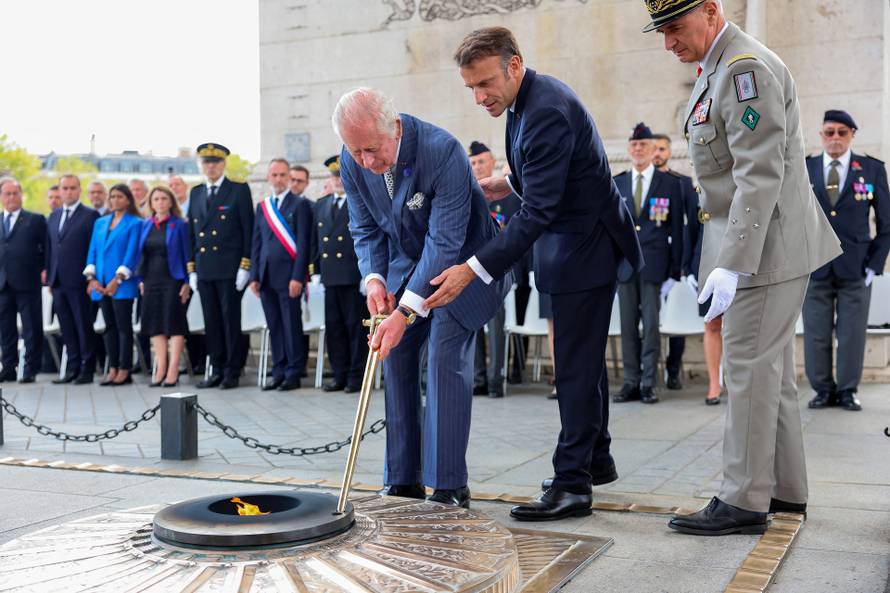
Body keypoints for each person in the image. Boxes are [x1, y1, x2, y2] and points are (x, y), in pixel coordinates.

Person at [428, 27, 643, 521]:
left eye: (485, 84)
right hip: (576, 244)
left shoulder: (543, 108)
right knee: (583, 363)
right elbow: (538, 174)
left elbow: (538, 212)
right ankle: (594, 459)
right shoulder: (525, 101)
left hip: (584, 247)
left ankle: (572, 485)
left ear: (515, 65)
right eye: (472, 89)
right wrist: (496, 184)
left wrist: (471, 270)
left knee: (572, 368)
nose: (481, 97)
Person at [643, 0, 841, 535]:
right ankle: (785, 491)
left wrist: (731, 265)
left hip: (763, 250)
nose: (669, 44)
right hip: (761, 244)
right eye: (661, 32)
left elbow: (759, 173)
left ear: (710, 11)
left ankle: (743, 499)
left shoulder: (744, 68)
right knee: (769, 377)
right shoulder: (719, 67)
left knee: (748, 369)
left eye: (676, 28)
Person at [333, 87, 510, 508]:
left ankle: (448, 486)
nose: (366, 163)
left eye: (372, 150)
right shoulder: (352, 157)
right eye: (356, 152)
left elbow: (444, 239)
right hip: (407, 267)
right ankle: (403, 480)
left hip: (465, 267)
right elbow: (366, 228)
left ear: (394, 128)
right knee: (395, 356)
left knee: (444, 357)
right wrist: (374, 280)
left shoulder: (441, 150)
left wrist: (407, 310)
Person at [804, 110, 890, 412]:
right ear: (821, 135)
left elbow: (886, 223)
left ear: (852, 134)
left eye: (842, 132)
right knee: (816, 332)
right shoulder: (805, 168)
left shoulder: (871, 169)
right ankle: (822, 390)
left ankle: (848, 390)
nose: (836, 138)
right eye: (830, 132)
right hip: (815, 266)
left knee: (852, 333)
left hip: (856, 267)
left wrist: (873, 266)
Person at [612, 123, 684, 405]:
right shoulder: (617, 183)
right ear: (629, 151)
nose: (638, 149)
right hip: (626, 266)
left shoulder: (670, 184)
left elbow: (676, 229)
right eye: (634, 145)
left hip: (655, 265)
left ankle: (648, 382)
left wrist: (675, 269)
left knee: (652, 325)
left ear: (654, 149)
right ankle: (630, 380)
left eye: (643, 145)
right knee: (628, 324)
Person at [186, 143, 254, 389]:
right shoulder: (195, 193)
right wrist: (191, 268)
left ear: (223, 164)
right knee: (211, 321)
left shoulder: (237, 190)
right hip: (205, 268)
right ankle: (215, 368)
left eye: (214, 162)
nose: (210, 166)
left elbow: (248, 230)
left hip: (229, 267)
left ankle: (232, 371)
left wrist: (245, 266)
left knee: (229, 321)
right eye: (206, 162)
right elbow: (191, 235)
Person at [249, 158, 313, 391]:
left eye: (282, 175)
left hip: (289, 278)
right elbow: (257, 242)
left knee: (291, 326)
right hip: (266, 276)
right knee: (274, 326)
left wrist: (298, 276)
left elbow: (304, 244)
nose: (278, 179)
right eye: (274, 175)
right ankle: (278, 370)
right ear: (268, 177)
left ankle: (293, 373)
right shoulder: (263, 206)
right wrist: (254, 276)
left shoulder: (300, 204)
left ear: (289, 177)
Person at [311, 156, 366, 393]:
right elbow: (315, 242)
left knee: (355, 327)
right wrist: (314, 271)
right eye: (335, 176)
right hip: (330, 275)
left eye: (342, 176)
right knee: (334, 327)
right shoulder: (321, 205)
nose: (338, 181)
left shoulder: (360, 202)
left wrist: (369, 273)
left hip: (354, 275)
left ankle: (355, 376)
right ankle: (339, 373)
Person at [468, 141, 518, 398]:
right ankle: (478, 378)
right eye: (473, 163)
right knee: (473, 324)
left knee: (496, 327)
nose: (477, 167)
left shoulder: (508, 197)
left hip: (499, 271)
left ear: (492, 162)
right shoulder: (468, 196)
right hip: (471, 271)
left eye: (482, 162)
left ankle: (496, 378)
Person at [652, 133, 700, 392]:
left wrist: (687, 264)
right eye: (654, 149)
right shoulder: (642, 184)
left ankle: (673, 370)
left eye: (662, 149)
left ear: (669, 153)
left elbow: (691, 225)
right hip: (651, 262)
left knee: (676, 321)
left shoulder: (682, 184)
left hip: (676, 262)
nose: (657, 153)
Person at [84, 184, 142, 386]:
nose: (115, 200)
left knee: (123, 328)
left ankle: (125, 369)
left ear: (128, 199)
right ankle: (113, 367)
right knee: (109, 327)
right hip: (100, 284)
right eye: (112, 196)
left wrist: (118, 279)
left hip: (121, 284)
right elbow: (92, 251)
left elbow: (132, 254)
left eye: (119, 196)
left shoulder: (135, 223)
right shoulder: (100, 223)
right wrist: (91, 278)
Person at [46, 174, 101, 384]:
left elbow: (93, 249)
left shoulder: (90, 215)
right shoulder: (54, 215)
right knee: (66, 327)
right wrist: (50, 278)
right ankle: (73, 367)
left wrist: (90, 277)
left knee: (83, 325)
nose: (68, 192)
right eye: (65, 188)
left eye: (72, 188)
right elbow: (51, 248)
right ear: (60, 191)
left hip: (80, 281)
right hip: (58, 281)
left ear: (79, 190)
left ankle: (87, 369)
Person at [137, 186, 191, 387]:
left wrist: (186, 282)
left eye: (163, 198)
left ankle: (173, 369)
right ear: (151, 203)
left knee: (174, 324)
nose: (160, 202)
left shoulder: (180, 225)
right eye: (156, 199)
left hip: (173, 279)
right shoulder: (145, 225)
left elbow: (187, 255)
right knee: (155, 324)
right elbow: (141, 255)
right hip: (151, 279)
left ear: (170, 202)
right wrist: (141, 280)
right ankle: (160, 368)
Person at [0, 178, 46, 383]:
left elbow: (46, 249)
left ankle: (30, 368)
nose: (11, 197)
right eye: (7, 193)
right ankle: (9, 367)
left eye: (14, 193)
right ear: (1, 197)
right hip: (2, 283)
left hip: (27, 281)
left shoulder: (35, 220)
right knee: (6, 328)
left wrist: (44, 270)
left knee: (31, 327)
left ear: (21, 195)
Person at [168, 173, 205, 375]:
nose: (174, 188)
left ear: (185, 186)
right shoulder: (170, 212)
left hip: (194, 271)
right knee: (183, 320)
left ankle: (201, 360)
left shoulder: (194, 204)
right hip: (179, 274)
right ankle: (189, 361)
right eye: (170, 185)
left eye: (177, 184)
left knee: (198, 316)